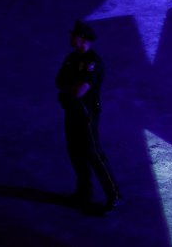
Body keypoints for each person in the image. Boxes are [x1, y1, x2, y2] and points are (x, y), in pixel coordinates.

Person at [55, 20, 121, 213]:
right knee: (75, 153)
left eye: (74, 35)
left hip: (86, 115)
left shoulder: (94, 63)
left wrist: (70, 86)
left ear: (83, 39)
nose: (71, 37)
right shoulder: (72, 58)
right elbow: (58, 81)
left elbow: (79, 91)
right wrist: (71, 87)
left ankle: (114, 194)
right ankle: (84, 193)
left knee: (94, 154)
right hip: (71, 112)